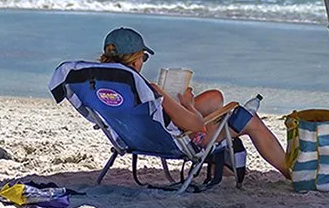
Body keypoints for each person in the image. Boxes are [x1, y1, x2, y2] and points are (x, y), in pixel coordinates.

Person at [99, 26, 290, 179]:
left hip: (138, 136)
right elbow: (197, 125)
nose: (143, 62)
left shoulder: (105, 86)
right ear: (134, 61)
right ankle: (289, 172)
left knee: (214, 97)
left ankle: (222, 165)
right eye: (144, 57)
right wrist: (188, 104)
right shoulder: (149, 90)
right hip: (176, 140)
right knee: (248, 119)